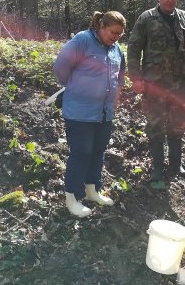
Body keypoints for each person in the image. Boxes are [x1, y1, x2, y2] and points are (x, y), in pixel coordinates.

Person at [127, 0, 185, 183]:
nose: (170, 0)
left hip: (179, 83)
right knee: (155, 125)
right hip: (154, 85)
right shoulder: (146, 18)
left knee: (178, 125)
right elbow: (133, 49)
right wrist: (135, 78)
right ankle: (158, 169)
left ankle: (176, 167)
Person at [54, 11, 126, 217]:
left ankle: (92, 191)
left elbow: (120, 76)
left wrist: (115, 102)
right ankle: (73, 198)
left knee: (98, 151)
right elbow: (60, 67)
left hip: (104, 113)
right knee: (81, 153)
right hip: (79, 112)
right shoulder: (83, 40)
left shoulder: (117, 49)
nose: (116, 37)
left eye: (120, 34)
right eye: (113, 32)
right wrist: (75, 86)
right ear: (101, 26)